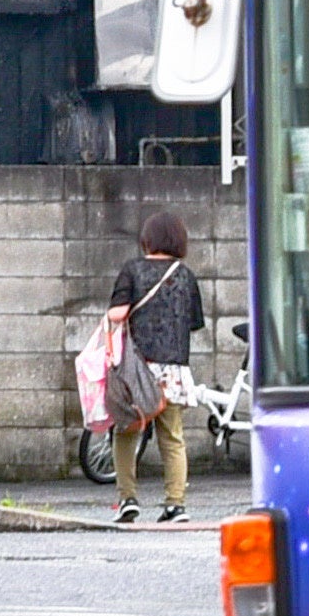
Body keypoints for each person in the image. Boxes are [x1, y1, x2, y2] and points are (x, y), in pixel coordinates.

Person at [107, 211, 204, 525]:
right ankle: (176, 505)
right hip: (173, 371)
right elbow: (194, 323)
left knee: (126, 432)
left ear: (147, 239)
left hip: (138, 371)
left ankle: (128, 500)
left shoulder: (133, 269)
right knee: (172, 437)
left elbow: (117, 314)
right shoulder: (185, 275)